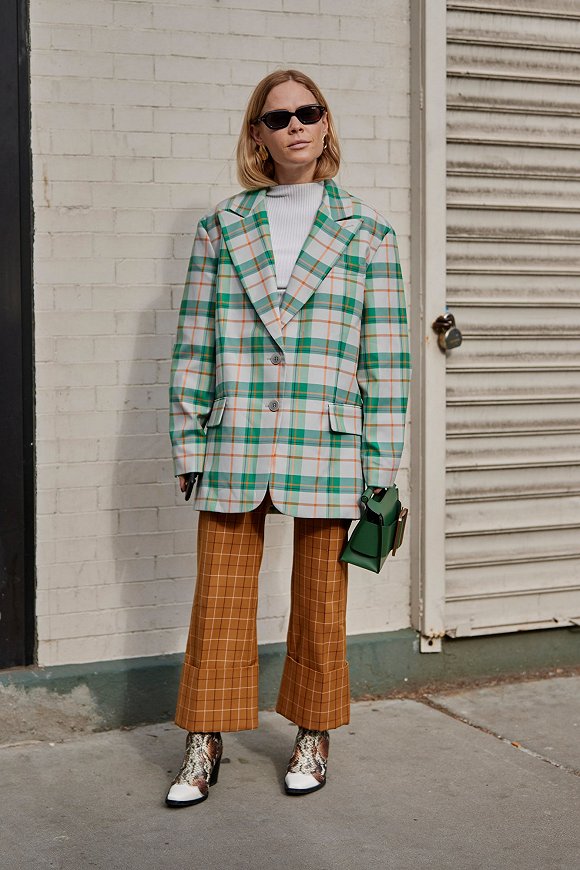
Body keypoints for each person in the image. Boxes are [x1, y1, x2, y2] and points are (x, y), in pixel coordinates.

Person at [166, 69, 410, 807]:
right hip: (234, 437)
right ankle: (204, 739)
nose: (296, 125)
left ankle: (313, 730)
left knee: (321, 599)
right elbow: (195, 344)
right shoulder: (221, 227)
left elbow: (386, 361)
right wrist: (188, 444)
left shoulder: (368, 232)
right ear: (258, 135)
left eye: (309, 111)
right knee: (219, 598)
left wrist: (381, 468)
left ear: (326, 124)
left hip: (327, 441)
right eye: (278, 117)